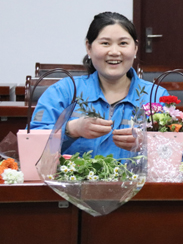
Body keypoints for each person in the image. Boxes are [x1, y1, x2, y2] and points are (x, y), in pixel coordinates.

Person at [31, 12, 168, 158]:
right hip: (73, 174)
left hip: (134, 174)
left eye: (123, 43)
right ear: (88, 48)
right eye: (105, 43)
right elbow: (32, 145)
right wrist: (72, 129)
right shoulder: (64, 91)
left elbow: (175, 155)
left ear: (135, 48)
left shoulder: (156, 96)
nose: (114, 52)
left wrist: (148, 145)